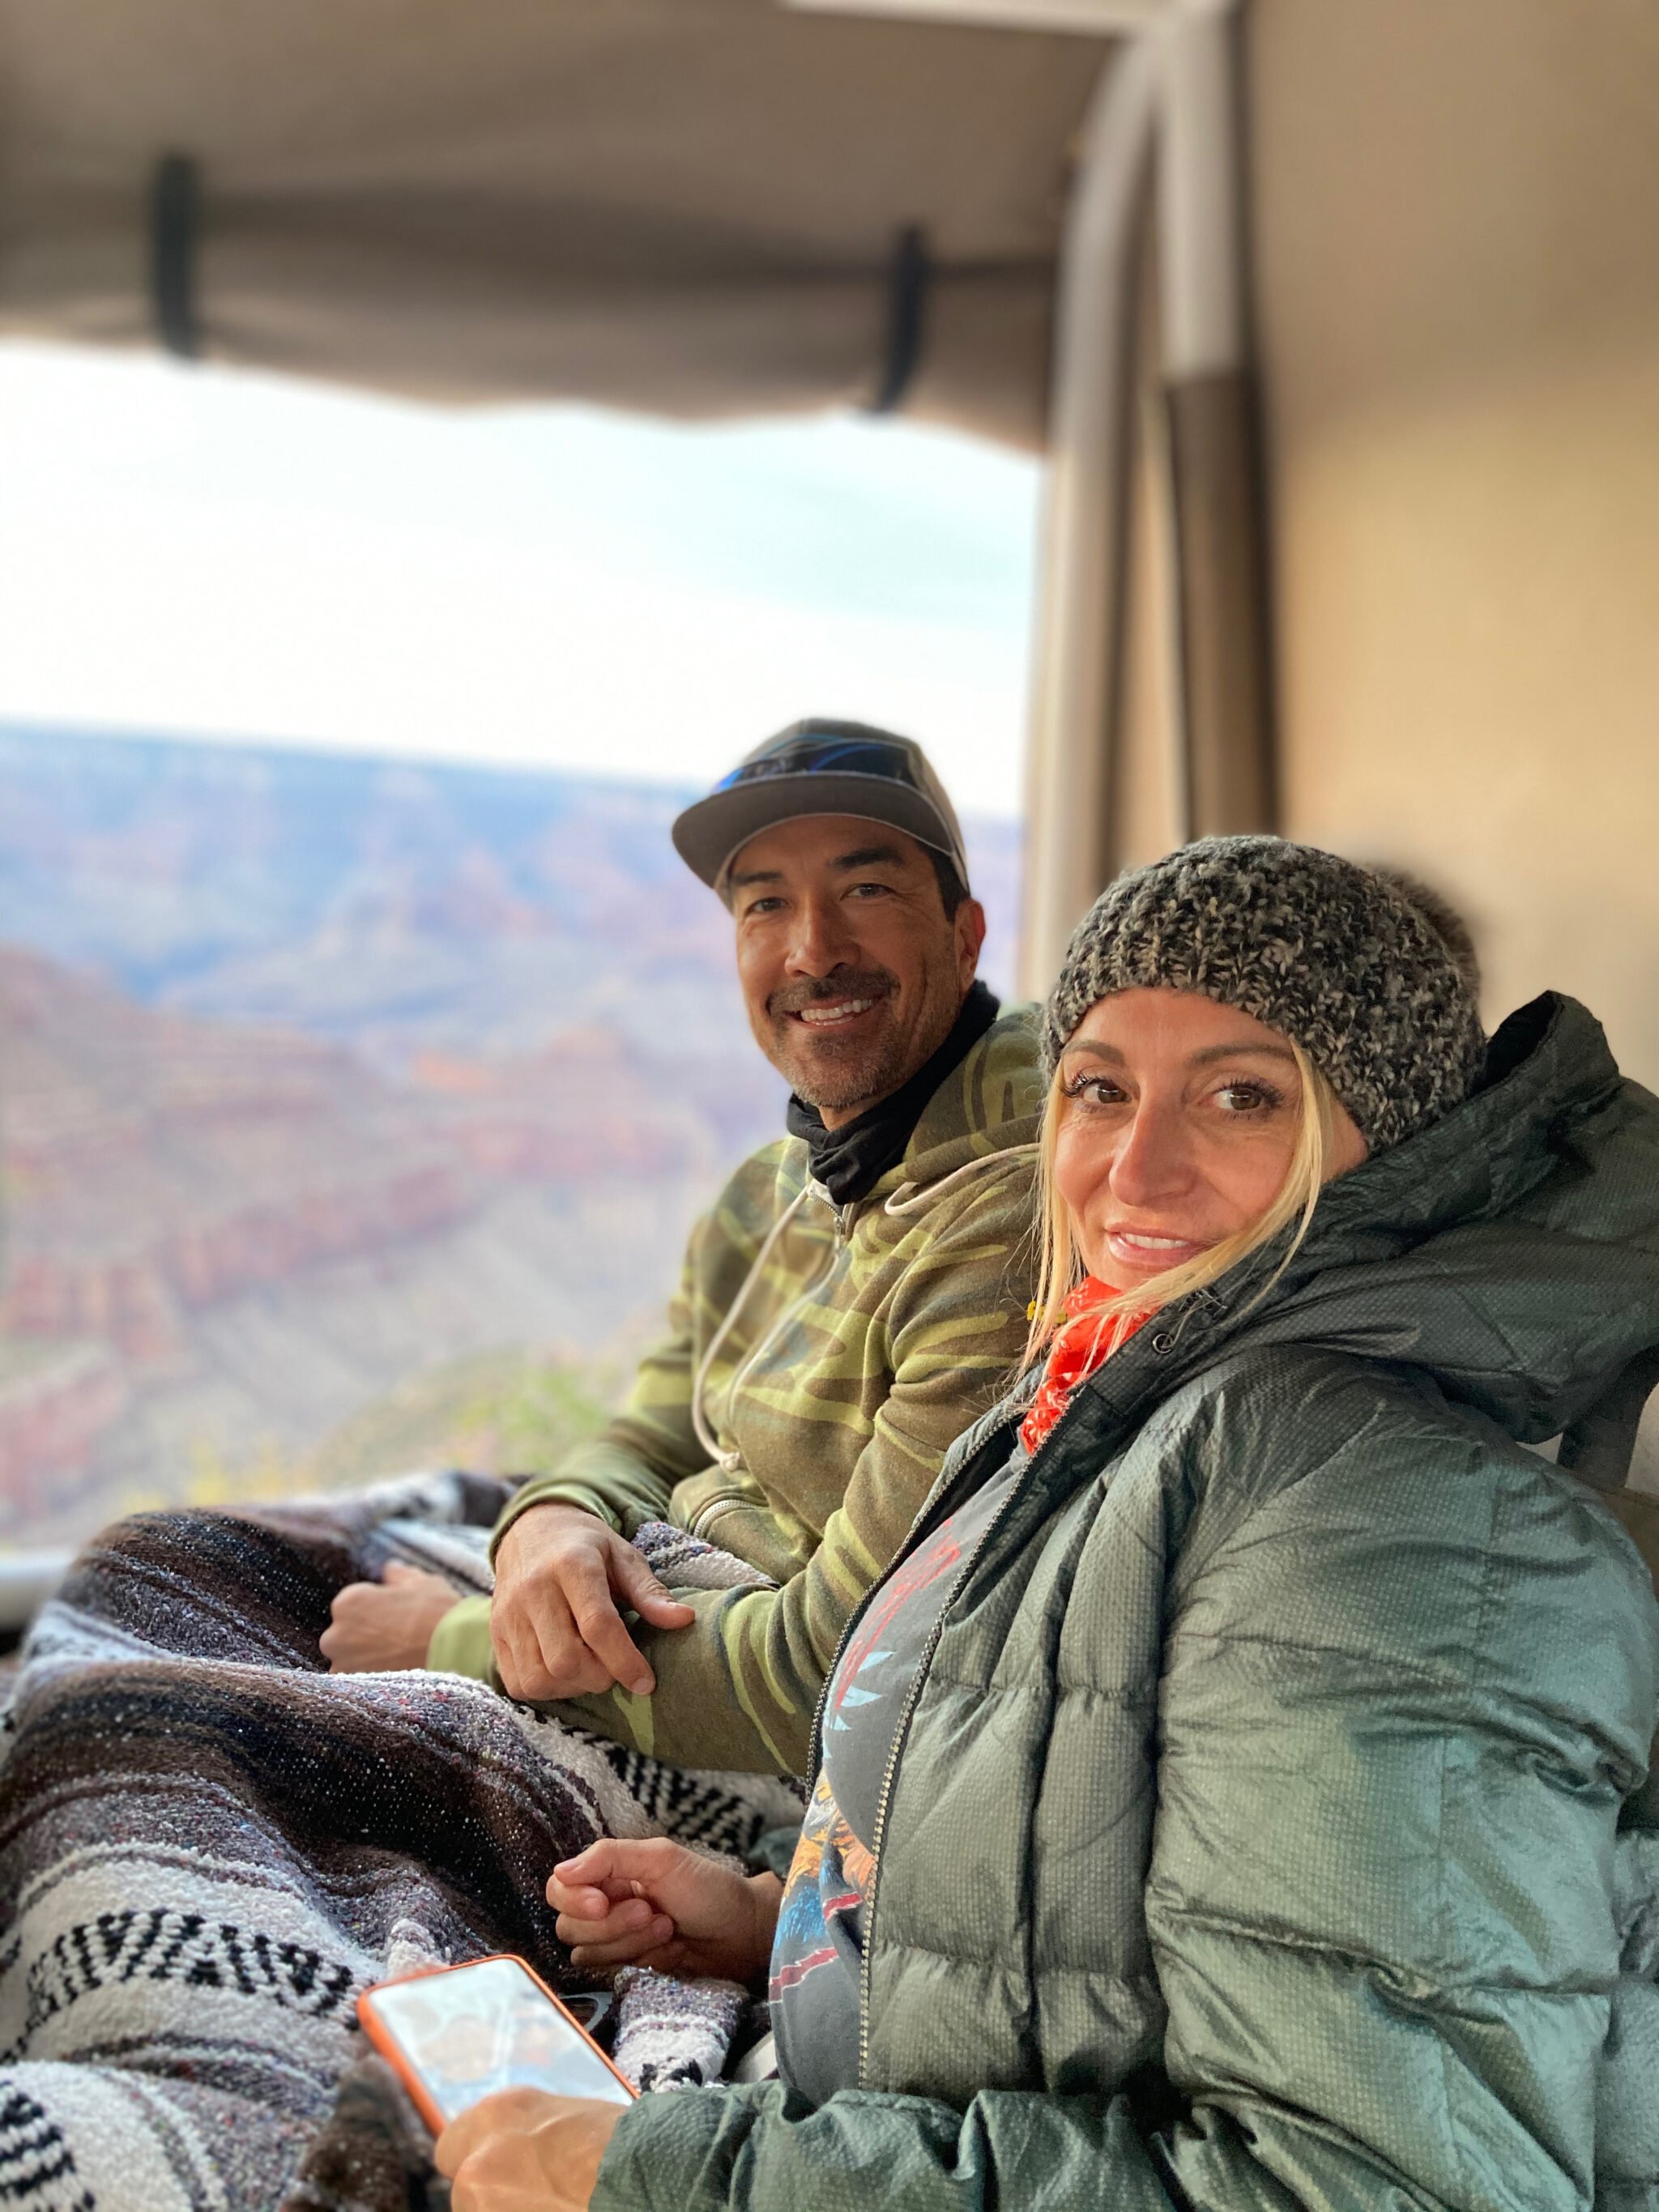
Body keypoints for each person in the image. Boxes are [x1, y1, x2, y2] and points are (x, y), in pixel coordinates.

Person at [429, 837, 1659, 2212]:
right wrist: (803, 1913)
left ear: (1393, 1139)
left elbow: (1375, 2187)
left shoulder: (1384, 1518)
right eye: (1099, 1088)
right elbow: (1096, 1838)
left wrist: (662, 2181)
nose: (1138, 1169)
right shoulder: (1134, 1384)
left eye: (1244, 1095)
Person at [322, 720, 1045, 1775]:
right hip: (667, 1621)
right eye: (765, 905)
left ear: (966, 934)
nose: (812, 950)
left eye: (868, 891)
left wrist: (453, 1644)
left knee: (199, 1704)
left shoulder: (1019, 1215)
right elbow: (656, 1429)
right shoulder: (771, 1190)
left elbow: (846, 1676)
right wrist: (556, 1523)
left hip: (780, 1744)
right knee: (186, 1570)